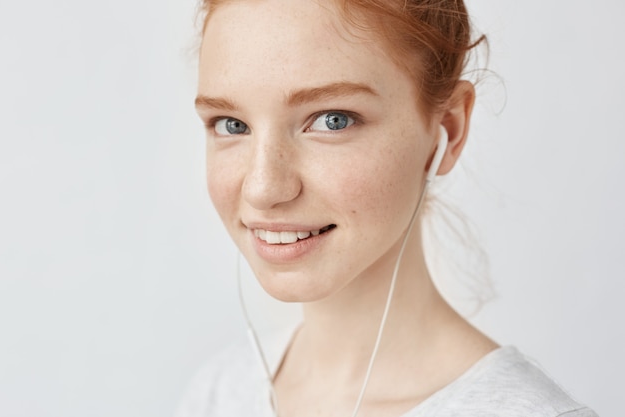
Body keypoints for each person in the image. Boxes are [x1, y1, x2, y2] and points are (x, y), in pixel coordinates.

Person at [177, 0, 598, 416]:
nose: (263, 187)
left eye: (332, 120)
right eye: (231, 125)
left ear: (446, 132)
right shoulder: (218, 393)